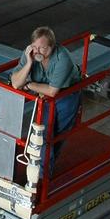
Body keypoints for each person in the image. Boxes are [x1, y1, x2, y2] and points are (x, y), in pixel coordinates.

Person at [10, 26, 80, 168]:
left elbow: (52, 91)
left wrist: (29, 85)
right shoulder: (31, 53)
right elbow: (16, 84)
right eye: (35, 46)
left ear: (52, 47)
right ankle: (42, 174)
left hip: (66, 95)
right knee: (43, 135)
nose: (37, 51)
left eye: (42, 48)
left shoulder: (63, 59)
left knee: (58, 135)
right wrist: (29, 63)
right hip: (44, 96)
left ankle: (46, 172)